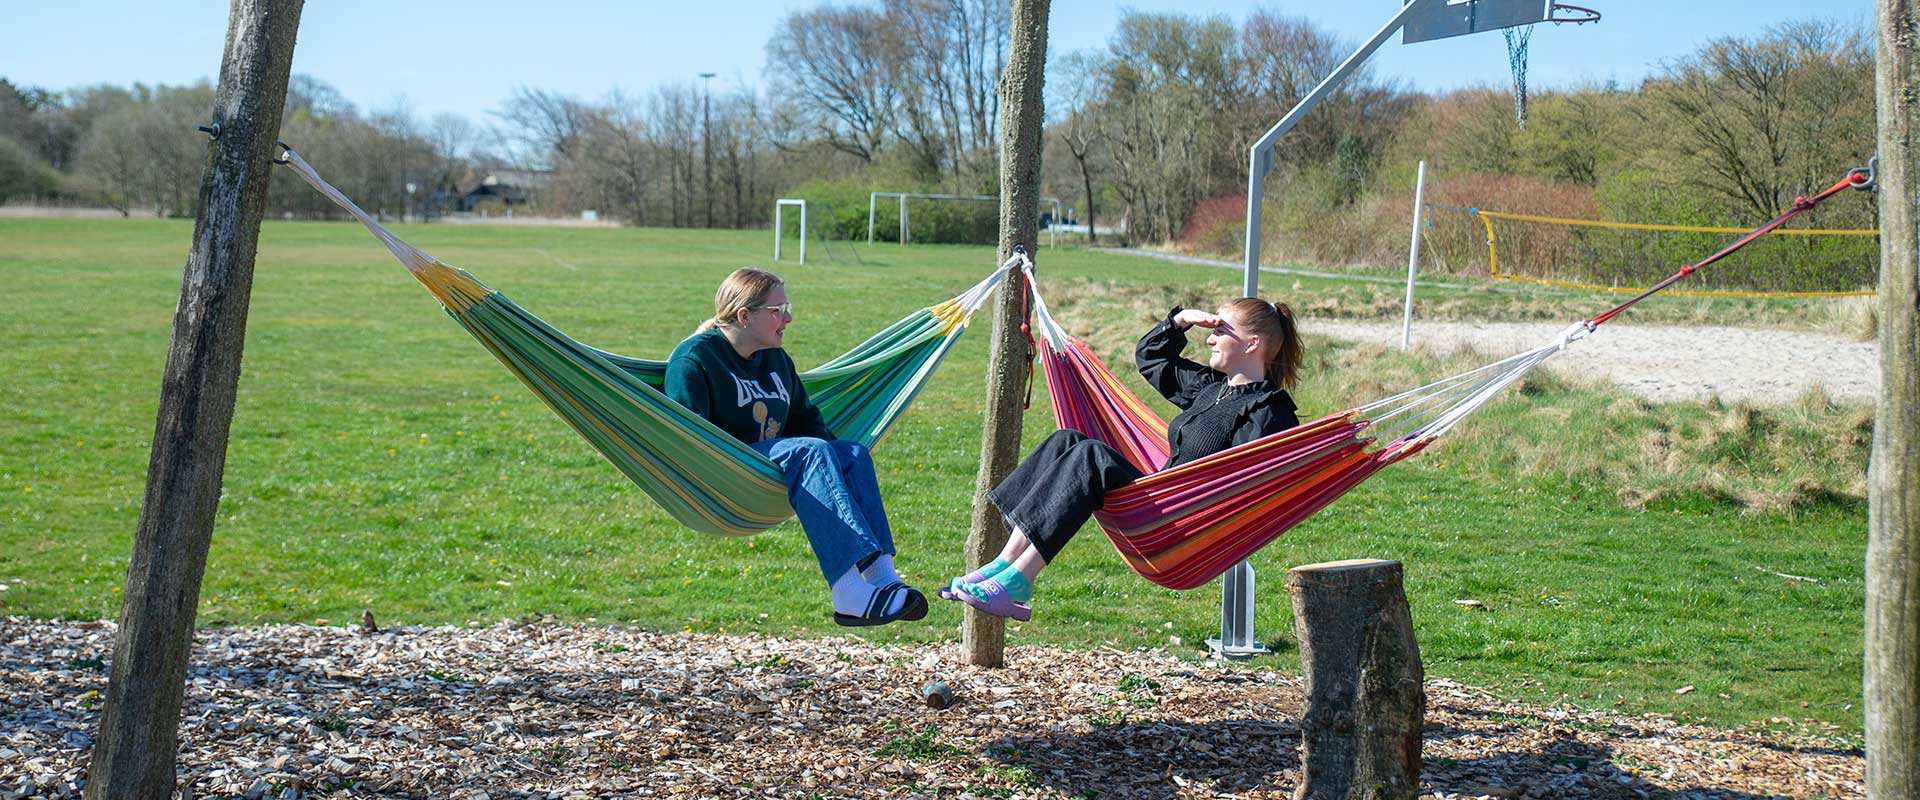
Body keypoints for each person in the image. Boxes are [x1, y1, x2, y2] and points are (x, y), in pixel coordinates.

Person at [942, 298, 1304, 620]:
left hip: (1183, 521)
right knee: (1067, 440)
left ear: (1252, 343)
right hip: (1157, 499)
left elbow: (1253, 483)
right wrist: (1182, 321)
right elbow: (1152, 357)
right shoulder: (1211, 388)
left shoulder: (1268, 413)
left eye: (1220, 330)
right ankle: (1005, 565)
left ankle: (1020, 579)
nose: (1209, 337)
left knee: (1090, 455)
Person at [666, 268, 927, 627]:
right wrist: (732, 469)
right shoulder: (694, 360)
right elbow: (689, 439)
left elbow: (808, 423)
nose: (788, 317)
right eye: (777, 310)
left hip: (773, 465)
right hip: (726, 472)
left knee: (850, 452)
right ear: (744, 316)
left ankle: (883, 578)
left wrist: (844, 471)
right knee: (810, 450)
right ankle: (847, 591)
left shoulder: (776, 360)